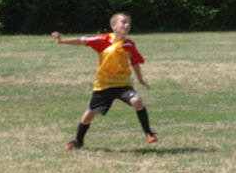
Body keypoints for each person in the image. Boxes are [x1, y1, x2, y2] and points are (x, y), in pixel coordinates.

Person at [51, 12, 157, 149]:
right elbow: (83, 41)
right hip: (104, 85)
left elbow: (135, 62)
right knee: (88, 116)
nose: (127, 25)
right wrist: (61, 41)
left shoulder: (129, 44)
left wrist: (140, 79)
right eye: (123, 22)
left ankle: (149, 133)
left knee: (137, 101)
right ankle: (78, 140)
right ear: (113, 25)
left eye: (129, 23)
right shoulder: (103, 40)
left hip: (122, 84)